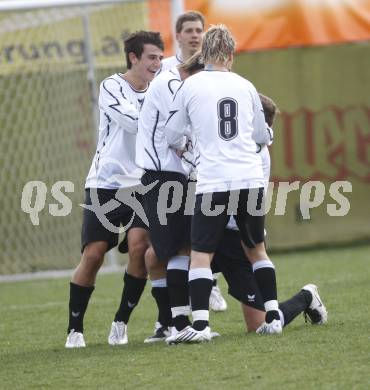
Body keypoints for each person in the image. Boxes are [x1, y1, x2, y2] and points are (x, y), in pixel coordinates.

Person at [165, 24, 282, 343]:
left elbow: (172, 134)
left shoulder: (190, 86)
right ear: (230, 54)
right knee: (257, 249)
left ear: (204, 54)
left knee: (201, 254)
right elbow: (261, 135)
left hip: (214, 178)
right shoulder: (245, 85)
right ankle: (273, 316)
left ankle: (200, 325)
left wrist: (192, 142)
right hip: (248, 177)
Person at [65, 31, 164, 348]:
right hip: (105, 183)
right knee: (93, 255)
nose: (157, 63)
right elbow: (134, 123)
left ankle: (121, 322)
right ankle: (75, 329)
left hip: (143, 184)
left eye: (160, 57)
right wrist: (163, 120)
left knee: (138, 248)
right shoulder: (112, 86)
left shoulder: (159, 89)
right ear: (134, 58)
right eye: (151, 57)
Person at [212, 94, 327, 332]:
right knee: (177, 265)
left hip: (237, 235)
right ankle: (180, 325)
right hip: (217, 228)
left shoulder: (253, 151)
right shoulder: (241, 146)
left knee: (259, 326)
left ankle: (307, 297)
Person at [159, 10, 228, 313]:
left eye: (199, 30)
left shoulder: (216, 72)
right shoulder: (164, 72)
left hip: (211, 168)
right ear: (177, 35)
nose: (194, 35)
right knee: (177, 243)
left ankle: (210, 282)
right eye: (188, 30)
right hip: (175, 169)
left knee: (215, 232)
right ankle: (175, 314)